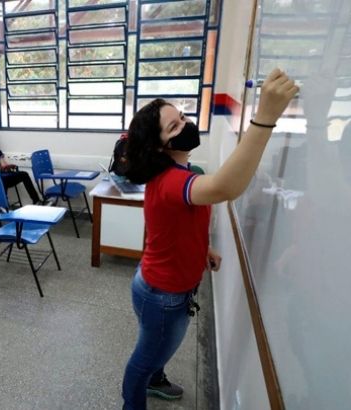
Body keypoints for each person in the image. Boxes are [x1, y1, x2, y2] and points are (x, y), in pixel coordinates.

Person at [120, 68, 297, 410]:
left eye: (182, 117)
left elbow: (180, 226)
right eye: (174, 127)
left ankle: (155, 380)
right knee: (145, 357)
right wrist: (264, 119)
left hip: (158, 285)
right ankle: (132, 404)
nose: (185, 125)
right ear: (160, 147)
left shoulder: (184, 173)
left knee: (155, 347)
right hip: (163, 295)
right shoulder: (171, 181)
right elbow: (224, 188)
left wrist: (204, 249)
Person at [0, 127, 48, 205]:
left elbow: (3, 164)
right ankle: (3, 206)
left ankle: (36, 200)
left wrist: (8, 167)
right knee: (2, 180)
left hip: (2, 175)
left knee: (24, 174)